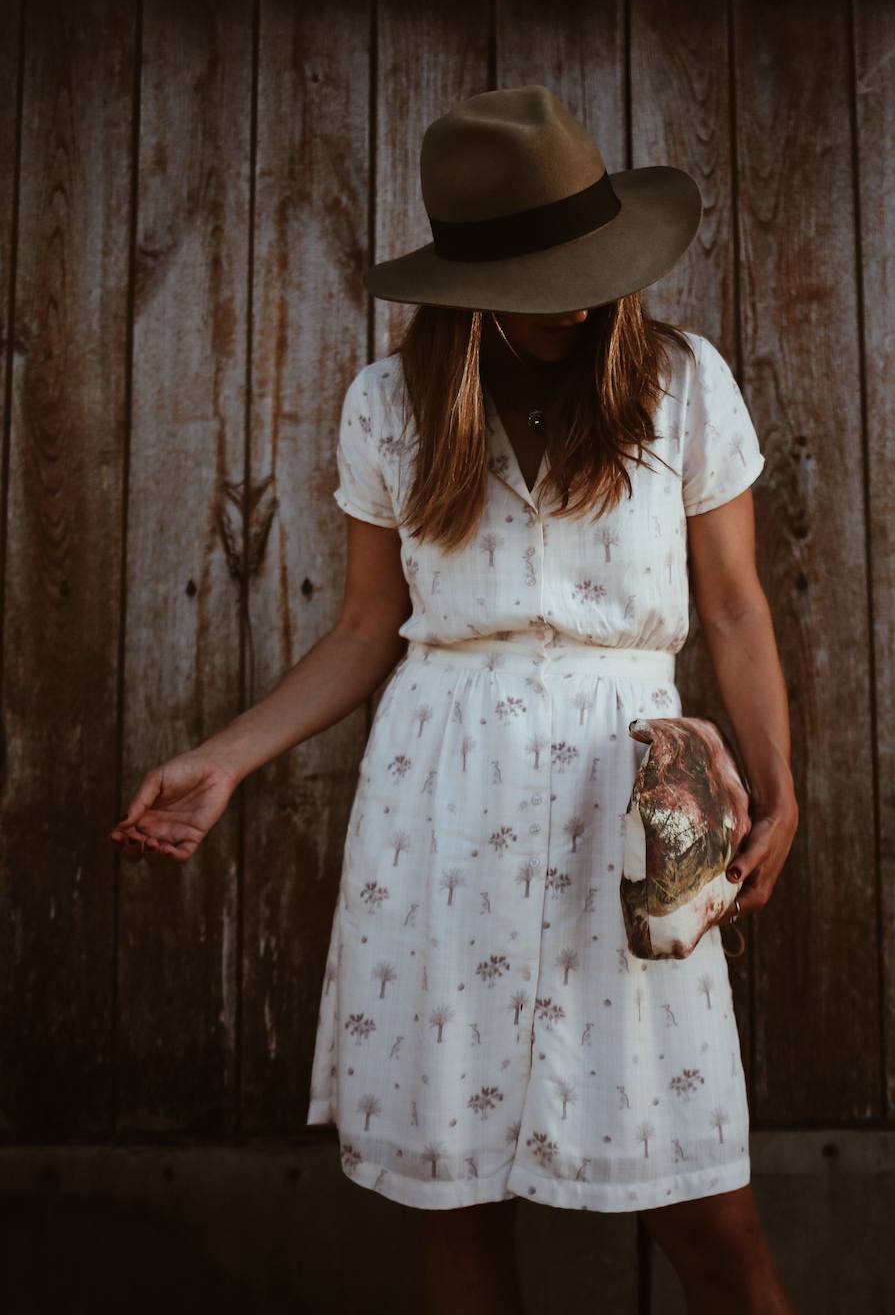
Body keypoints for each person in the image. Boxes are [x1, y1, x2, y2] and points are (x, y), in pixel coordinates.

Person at [107, 86, 799, 1315]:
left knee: (707, 1206)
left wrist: (780, 786)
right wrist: (227, 758)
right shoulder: (390, 404)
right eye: (537, 279)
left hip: (633, 800)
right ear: (465, 279)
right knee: (459, 1202)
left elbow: (737, 606)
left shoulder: (684, 383)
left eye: (584, 268)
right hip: (443, 798)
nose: (575, 301)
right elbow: (367, 628)